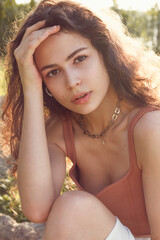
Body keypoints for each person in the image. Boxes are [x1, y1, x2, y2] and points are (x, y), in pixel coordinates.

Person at [2, 0, 160, 239]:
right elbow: (36, 208)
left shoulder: (150, 128)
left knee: (73, 208)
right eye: (52, 72)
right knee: (72, 208)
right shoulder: (60, 129)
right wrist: (31, 89)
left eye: (79, 59)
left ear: (106, 54)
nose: (72, 82)